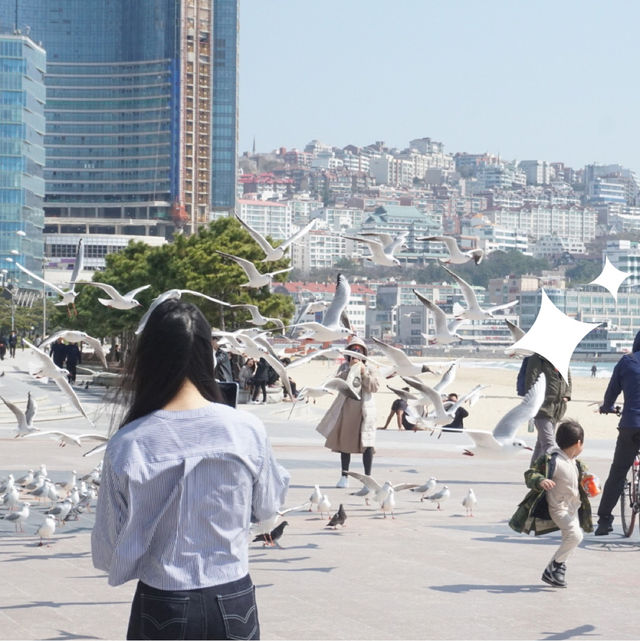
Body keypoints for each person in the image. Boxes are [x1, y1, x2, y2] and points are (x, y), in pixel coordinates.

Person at [92, 299, 289, 640]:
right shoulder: (246, 429)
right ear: (208, 356)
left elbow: (107, 551)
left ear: (147, 360)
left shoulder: (130, 442)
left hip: (163, 601)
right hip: (233, 599)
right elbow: (269, 509)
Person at [509, 419, 593, 588]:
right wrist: (540, 480)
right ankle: (554, 566)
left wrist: (590, 486)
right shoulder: (551, 460)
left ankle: (557, 570)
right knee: (576, 536)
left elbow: (582, 480)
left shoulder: (575, 463)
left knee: (569, 539)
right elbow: (530, 474)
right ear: (578, 443)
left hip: (572, 508)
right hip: (558, 508)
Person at [316, 336, 380, 487]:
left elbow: (374, 387)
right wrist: (350, 370)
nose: (356, 354)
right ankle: (344, 476)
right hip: (347, 408)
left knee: (367, 444)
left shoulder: (370, 368)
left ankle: (367, 478)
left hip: (365, 410)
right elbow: (337, 384)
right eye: (353, 351)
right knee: (345, 444)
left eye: (359, 351)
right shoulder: (344, 368)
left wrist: (363, 372)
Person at [595, 330, 640, 536]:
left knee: (618, 472)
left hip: (630, 424)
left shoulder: (627, 361)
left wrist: (607, 407)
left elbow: (612, 391)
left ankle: (604, 520)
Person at [524, 353, 571, 465]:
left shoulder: (562, 358)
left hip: (557, 408)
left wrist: (567, 395)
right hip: (542, 408)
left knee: (541, 443)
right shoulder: (537, 359)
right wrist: (533, 403)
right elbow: (530, 382)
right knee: (549, 445)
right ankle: (553, 473)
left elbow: (568, 378)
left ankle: (533, 473)